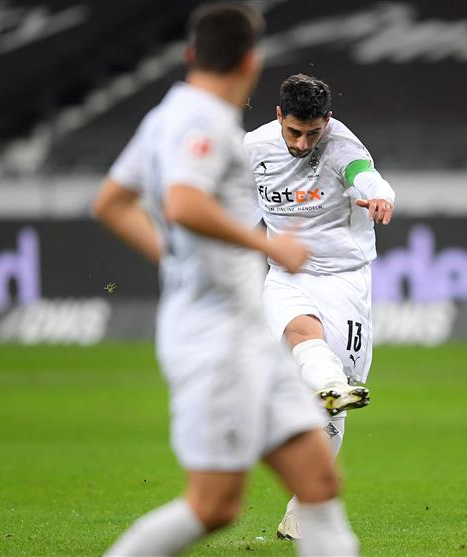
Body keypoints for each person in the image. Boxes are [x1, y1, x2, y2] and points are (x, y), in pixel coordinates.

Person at [92, 6, 358, 556]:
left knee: (318, 484)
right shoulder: (207, 122)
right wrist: (269, 245)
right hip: (215, 343)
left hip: (241, 334)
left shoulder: (165, 115)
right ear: (251, 62)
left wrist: (176, 263)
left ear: (191, 55)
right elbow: (184, 202)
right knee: (213, 507)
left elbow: (112, 203)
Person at [244, 73, 395, 540]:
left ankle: (302, 505)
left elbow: (365, 177)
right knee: (299, 334)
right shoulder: (253, 149)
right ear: (278, 117)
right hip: (287, 274)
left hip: (344, 280)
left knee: (332, 409)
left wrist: (380, 196)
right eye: (294, 132)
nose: (302, 142)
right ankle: (330, 383)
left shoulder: (343, 147)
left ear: (327, 122)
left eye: (313, 132)